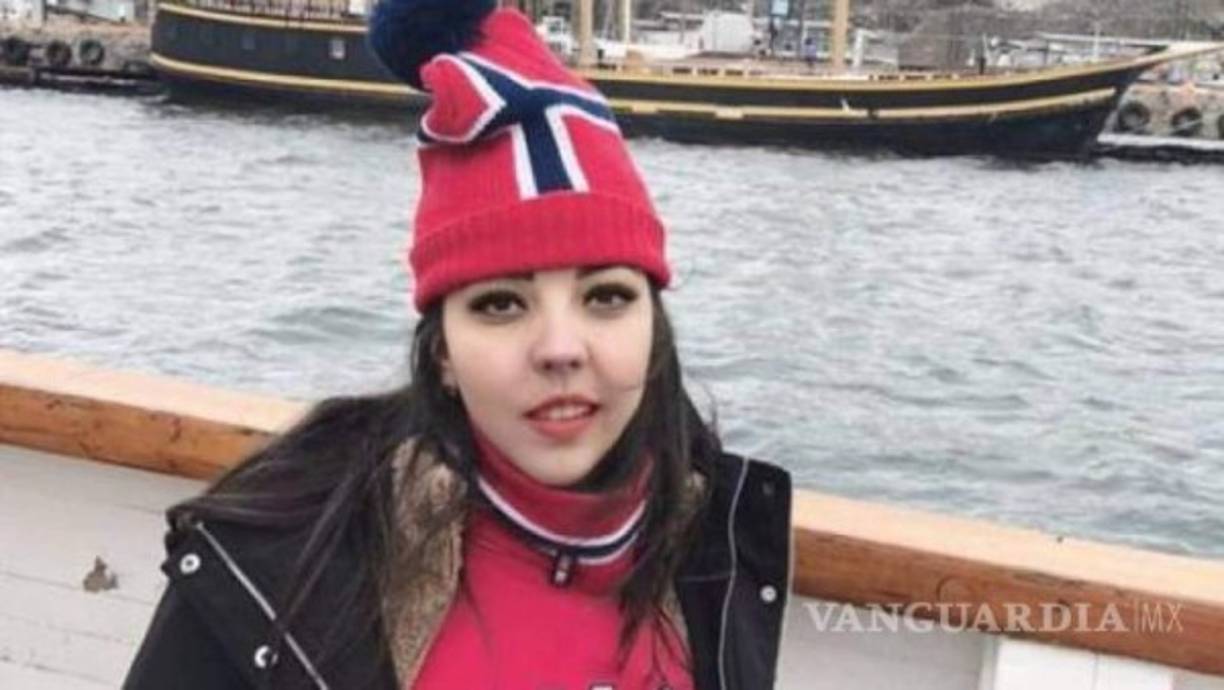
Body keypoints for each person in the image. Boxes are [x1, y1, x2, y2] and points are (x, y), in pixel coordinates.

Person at [123, 0, 793, 688]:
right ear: (442, 351)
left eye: (606, 297)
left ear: (653, 328)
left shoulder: (721, 547)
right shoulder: (274, 574)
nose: (561, 348)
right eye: (501, 304)